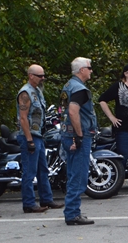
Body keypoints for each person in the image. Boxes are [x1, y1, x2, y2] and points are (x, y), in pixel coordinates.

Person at [16, 64, 64, 213]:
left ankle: (46, 199)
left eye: (43, 75)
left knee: (43, 170)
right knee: (29, 172)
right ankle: (29, 203)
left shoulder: (37, 92)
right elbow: (23, 119)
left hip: (39, 136)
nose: (43, 78)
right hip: (29, 137)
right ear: (31, 75)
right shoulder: (25, 93)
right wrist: (29, 140)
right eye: (40, 76)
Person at [98, 63, 128, 194]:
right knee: (122, 156)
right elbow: (102, 100)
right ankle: (116, 185)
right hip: (124, 127)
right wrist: (112, 118)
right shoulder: (118, 86)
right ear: (126, 74)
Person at [60, 57, 98, 225]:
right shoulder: (79, 89)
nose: (91, 71)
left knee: (72, 173)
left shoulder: (68, 86)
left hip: (67, 134)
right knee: (79, 175)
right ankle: (73, 213)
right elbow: (73, 112)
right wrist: (80, 135)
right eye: (89, 68)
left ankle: (71, 210)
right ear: (82, 70)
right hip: (77, 135)